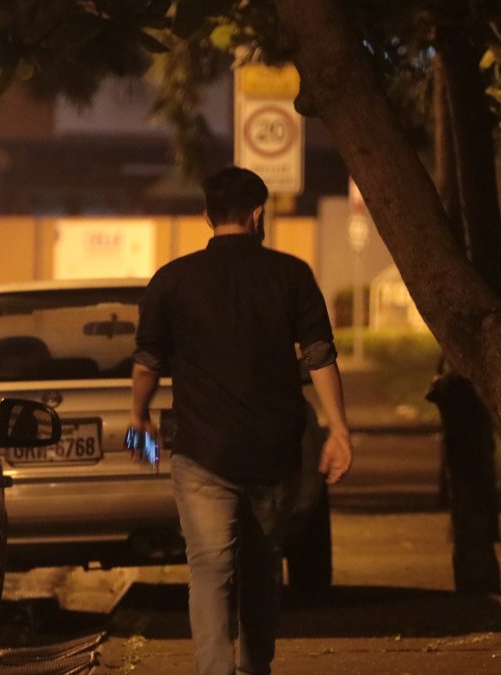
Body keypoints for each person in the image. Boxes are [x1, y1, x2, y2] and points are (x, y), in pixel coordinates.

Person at [130, 166, 353, 675]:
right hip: (274, 454)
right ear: (258, 215)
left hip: (202, 454)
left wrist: (137, 416)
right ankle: (256, 668)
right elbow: (320, 356)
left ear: (207, 216)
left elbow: (147, 361)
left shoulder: (172, 279)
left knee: (210, 570)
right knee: (260, 570)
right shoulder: (291, 275)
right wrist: (339, 430)